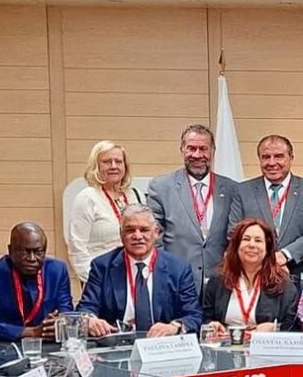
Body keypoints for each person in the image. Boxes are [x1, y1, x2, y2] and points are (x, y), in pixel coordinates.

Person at [77, 205, 203, 338]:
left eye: (144, 230)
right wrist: (90, 320)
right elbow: (85, 309)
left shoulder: (178, 268)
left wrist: (174, 326)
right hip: (117, 343)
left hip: (161, 343)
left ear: (156, 232)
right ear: (121, 234)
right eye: (130, 230)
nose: (137, 236)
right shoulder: (102, 267)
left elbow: (194, 315)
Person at [147, 124, 241, 293]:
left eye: (203, 149)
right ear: (182, 150)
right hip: (176, 281)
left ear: (212, 151)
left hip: (220, 283)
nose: (197, 155)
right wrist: (163, 273)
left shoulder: (232, 189)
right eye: (191, 148)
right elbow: (154, 237)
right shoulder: (161, 187)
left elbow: (235, 235)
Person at [229, 134, 303, 279]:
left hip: (298, 275)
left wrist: (285, 255)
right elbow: (234, 231)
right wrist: (267, 261)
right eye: (265, 157)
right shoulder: (242, 191)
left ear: (291, 158)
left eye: (279, 156)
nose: (272, 163)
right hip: (254, 275)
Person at [0, 222, 74, 342]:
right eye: (24, 252)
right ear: (10, 250)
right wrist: (32, 332)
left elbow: (67, 313)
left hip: (49, 346)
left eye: (38, 252)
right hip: (4, 346)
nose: (32, 258)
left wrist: (58, 323)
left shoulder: (57, 271)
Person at [201, 219, 299, 336]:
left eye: (258, 240)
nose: (251, 245)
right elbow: (205, 318)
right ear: (236, 246)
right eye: (246, 239)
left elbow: (292, 327)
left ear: (267, 248)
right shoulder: (218, 280)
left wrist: (275, 328)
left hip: (266, 345)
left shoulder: (284, 285)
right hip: (226, 344)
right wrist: (211, 325)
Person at [67, 141, 144, 283]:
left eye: (118, 161)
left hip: (135, 278)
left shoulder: (136, 195)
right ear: (96, 166)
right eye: (107, 162)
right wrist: (93, 281)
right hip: (101, 279)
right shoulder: (87, 198)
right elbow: (77, 249)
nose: (113, 166)